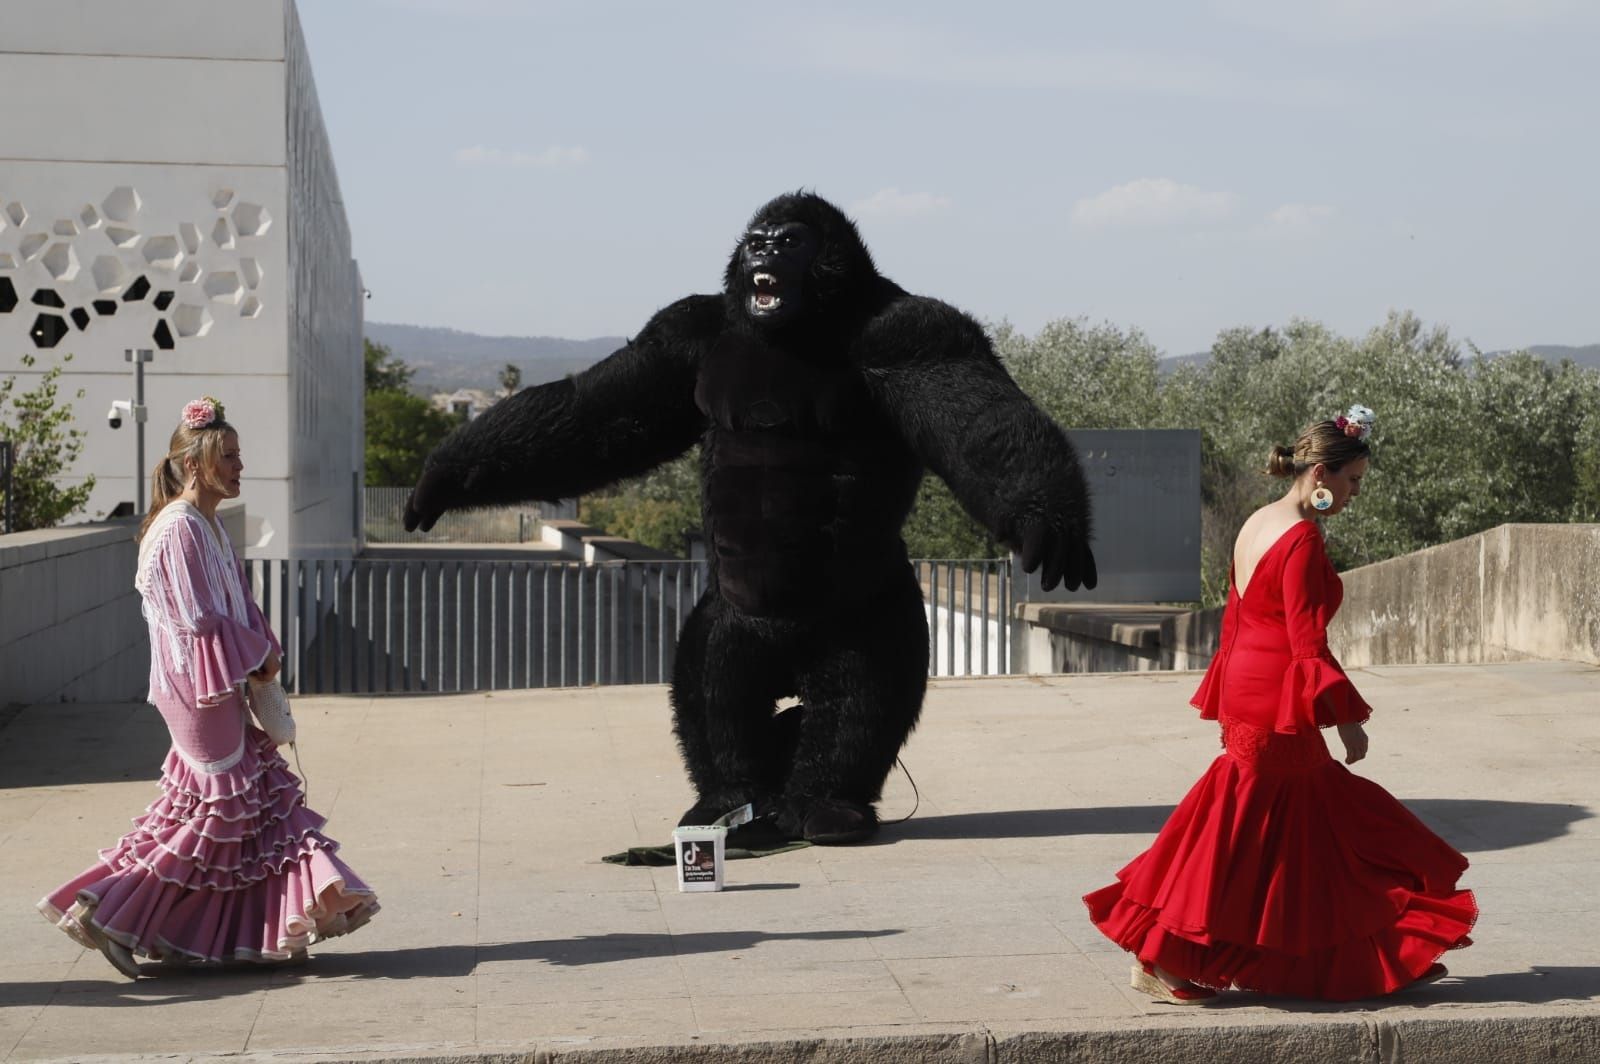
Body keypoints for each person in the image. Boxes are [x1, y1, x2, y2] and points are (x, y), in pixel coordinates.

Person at [1083, 405, 1476, 1003]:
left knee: (1296, 827)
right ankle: (1163, 952)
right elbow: (1305, 640)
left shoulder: (1260, 519)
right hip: (1276, 697)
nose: (1354, 494)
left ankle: (1380, 956)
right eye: (1352, 482)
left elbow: (1242, 610)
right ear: (1321, 472)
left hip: (1249, 684)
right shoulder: (1298, 540)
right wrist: (1346, 720)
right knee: (1260, 828)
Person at [38, 397, 377, 977]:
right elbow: (200, 620)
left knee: (225, 809)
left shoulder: (207, 524)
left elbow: (238, 607)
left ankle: (197, 928)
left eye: (239, 454)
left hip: (212, 685)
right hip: (197, 690)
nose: (240, 466)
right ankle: (111, 908)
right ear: (194, 464)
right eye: (229, 456)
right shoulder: (178, 530)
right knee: (223, 810)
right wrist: (259, 659)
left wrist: (264, 655)